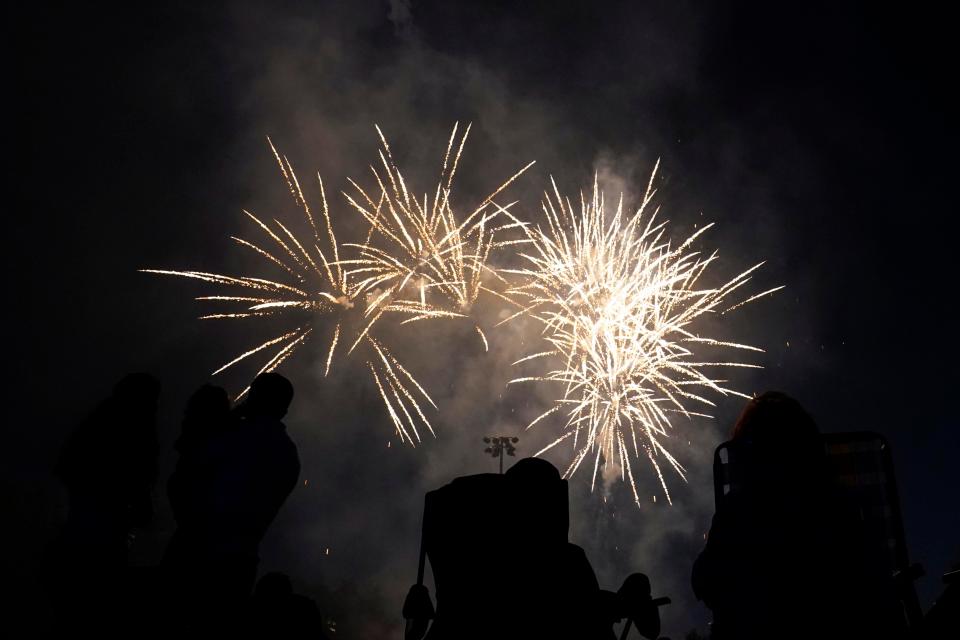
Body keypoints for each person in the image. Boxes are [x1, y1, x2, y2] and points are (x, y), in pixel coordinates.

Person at [692, 391, 905, 639]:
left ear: (746, 455)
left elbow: (705, 581)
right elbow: (873, 576)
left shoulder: (738, 509)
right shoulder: (839, 503)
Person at [169, 373, 300, 630]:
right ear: (284, 410)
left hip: (197, 554)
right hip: (239, 561)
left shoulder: (233, 437)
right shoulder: (287, 452)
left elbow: (186, 473)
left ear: (255, 397)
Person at [48, 372, 160, 632]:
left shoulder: (100, 420)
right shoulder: (132, 427)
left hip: (89, 515)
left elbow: (67, 467)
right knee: (98, 582)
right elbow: (138, 474)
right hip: (104, 519)